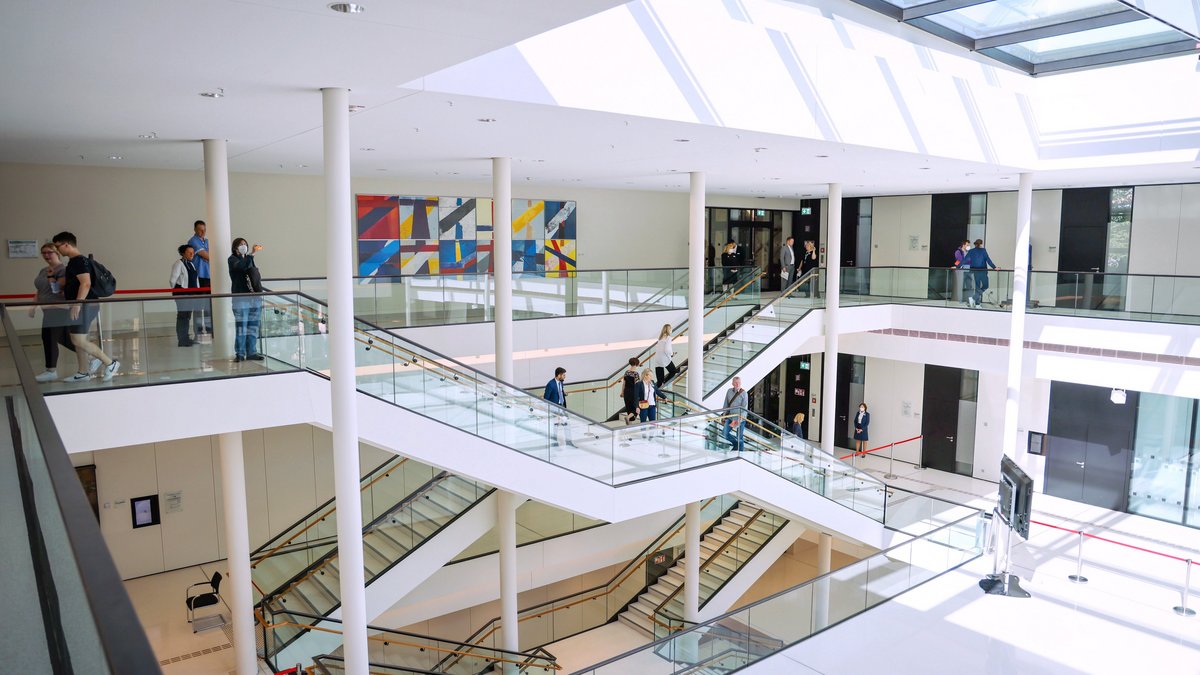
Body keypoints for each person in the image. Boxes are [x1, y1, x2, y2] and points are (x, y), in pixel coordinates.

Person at [50, 231, 120, 382]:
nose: (57, 250)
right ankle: (83, 372)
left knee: (78, 340)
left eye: (57, 246)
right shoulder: (76, 262)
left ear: (67, 244)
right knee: (78, 339)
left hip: (85, 306)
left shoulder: (78, 262)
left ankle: (110, 363)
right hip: (84, 305)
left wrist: (77, 303)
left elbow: (86, 283)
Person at [30, 242, 76, 382]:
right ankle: (93, 356)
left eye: (49, 252)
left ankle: (51, 370)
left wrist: (51, 278)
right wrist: (33, 306)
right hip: (47, 310)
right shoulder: (43, 270)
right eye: (43, 253)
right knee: (65, 339)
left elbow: (58, 291)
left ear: (57, 252)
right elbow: (39, 290)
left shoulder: (62, 270)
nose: (46, 255)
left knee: (49, 338)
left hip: (58, 309)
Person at [228, 237, 264, 361]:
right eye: (241, 244)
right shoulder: (232, 260)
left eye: (245, 244)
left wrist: (250, 257)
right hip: (240, 298)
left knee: (253, 326)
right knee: (241, 327)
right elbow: (241, 267)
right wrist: (252, 255)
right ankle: (240, 353)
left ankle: (251, 352)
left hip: (254, 298)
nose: (244, 246)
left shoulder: (249, 259)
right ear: (235, 247)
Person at [169, 244, 200, 347]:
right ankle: (182, 340)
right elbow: (173, 280)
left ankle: (185, 338)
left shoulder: (192, 264)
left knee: (187, 316)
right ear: (183, 253)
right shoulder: (178, 264)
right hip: (182, 294)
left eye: (193, 252)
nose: (192, 254)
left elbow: (195, 279)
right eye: (189, 252)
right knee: (182, 316)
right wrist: (177, 292)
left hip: (191, 294)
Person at [187, 220, 213, 339]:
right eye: (200, 230)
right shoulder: (193, 241)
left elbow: (212, 255)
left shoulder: (208, 241)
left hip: (209, 277)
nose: (202, 232)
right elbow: (206, 255)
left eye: (204, 229)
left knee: (209, 305)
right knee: (198, 305)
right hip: (199, 277)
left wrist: (209, 256)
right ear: (195, 230)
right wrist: (208, 256)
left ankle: (209, 330)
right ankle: (198, 332)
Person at [542, 366, 576, 448]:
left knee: (567, 424)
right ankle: (554, 443)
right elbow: (546, 398)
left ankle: (568, 442)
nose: (565, 376)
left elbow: (560, 391)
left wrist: (564, 394)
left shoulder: (561, 382)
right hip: (554, 408)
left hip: (562, 407)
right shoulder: (550, 384)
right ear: (559, 375)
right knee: (555, 427)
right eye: (563, 375)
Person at [963, 239, 998, 308]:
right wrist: (994, 267)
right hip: (982, 271)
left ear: (975, 244)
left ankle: (976, 303)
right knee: (985, 286)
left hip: (974, 271)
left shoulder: (971, 251)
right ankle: (975, 302)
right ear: (981, 244)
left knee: (978, 287)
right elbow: (988, 260)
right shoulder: (983, 250)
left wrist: (957, 266)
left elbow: (964, 260)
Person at [723, 376, 748, 452]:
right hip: (730, 417)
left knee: (739, 437)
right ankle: (736, 445)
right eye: (736, 383)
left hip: (740, 418)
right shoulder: (729, 391)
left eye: (739, 383)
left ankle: (740, 452)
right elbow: (726, 403)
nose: (737, 384)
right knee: (725, 433)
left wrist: (738, 420)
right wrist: (724, 415)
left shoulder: (744, 393)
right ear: (732, 383)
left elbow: (744, 408)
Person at [620, 357, 641, 424]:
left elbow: (624, 383)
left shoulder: (626, 372)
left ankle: (629, 425)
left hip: (626, 392)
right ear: (636, 364)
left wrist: (622, 392)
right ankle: (628, 417)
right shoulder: (636, 374)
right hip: (633, 392)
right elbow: (637, 385)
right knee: (636, 409)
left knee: (629, 409)